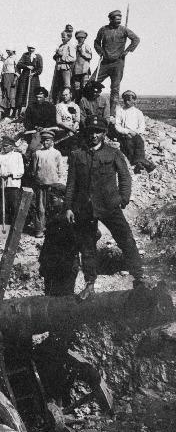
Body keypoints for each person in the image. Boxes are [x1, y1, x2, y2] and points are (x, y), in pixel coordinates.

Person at [64, 115, 146, 300]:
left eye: (98, 132)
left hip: (109, 205)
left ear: (104, 133)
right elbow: (71, 184)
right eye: (91, 132)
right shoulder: (77, 154)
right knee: (87, 246)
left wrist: (123, 198)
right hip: (84, 208)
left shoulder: (113, 153)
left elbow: (125, 177)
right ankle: (89, 284)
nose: (94, 135)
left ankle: (139, 277)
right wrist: (68, 207)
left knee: (126, 239)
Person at [94, 9, 141, 113]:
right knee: (92, 83)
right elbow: (96, 42)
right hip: (105, 63)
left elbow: (136, 39)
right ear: (110, 19)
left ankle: (112, 113)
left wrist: (127, 51)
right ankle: (93, 108)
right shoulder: (103, 30)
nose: (119, 20)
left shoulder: (124, 30)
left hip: (118, 63)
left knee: (115, 89)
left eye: (120, 18)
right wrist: (100, 51)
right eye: (116, 18)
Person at [39, 185, 79, 297]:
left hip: (66, 266)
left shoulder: (70, 217)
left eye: (54, 198)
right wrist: (42, 263)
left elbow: (95, 234)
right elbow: (47, 243)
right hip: (52, 265)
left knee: (64, 300)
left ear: (63, 199)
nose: (51, 202)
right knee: (50, 297)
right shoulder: (53, 215)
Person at [30, 131, 66, 238]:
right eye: (44, 140)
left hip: (53, 186)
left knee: (54, 207)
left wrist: (59, 182)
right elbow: (34, 169)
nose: (45, 142)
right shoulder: (37, 153)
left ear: (52, 141)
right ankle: (39, 230)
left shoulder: (56, 153)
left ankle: (53, 231)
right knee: (40, 208)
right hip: (40, 185)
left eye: (47, 140)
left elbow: (60, 170)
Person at [110, 90, 156, 173]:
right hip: (124, 135)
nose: (127, 102)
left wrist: (135, 133)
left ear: (134, 101)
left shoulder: (138, 113)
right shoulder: (120, 111)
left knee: (139, 143)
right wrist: (127, 132)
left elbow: (142, 127)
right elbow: (117, 126)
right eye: (125, 100)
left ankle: (138, 163)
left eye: (129, 100)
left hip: (135, 134)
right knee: (128, 145)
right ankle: (144, 163)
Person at [0, 138, 24, 228]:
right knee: (3, 206)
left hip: (13, 184)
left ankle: (14, 227)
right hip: (2, 185)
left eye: (6, 146)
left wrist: (10, 174)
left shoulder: (17, 156)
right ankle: (4, 226)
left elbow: (21, 172)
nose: (4, 148)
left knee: (14, 206)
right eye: (3, 146)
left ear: (12, 146)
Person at [23, 87, 59, 153]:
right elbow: (26, 121)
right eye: (37, 97)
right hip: (34, 131)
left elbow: (53, 121)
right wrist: (35, 127)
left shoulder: (51, 107)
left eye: (40, 97)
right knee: (34, 147)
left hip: (47, 130)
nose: (38, 99)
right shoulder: (31, 107)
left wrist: (45, 128)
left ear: (45, 97)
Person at [15, 45, 43, 116]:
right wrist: (27, 66)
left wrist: (34, 73)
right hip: (25, 77)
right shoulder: (25, 55)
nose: (31, 49)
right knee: (22, 93)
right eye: (29, 48)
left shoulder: (38, 56)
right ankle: (20, 113)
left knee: (33, 93)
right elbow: (19, 64)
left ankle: (32, 112)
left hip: (34, 78)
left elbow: (40, 69)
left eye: (32, 48)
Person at [51, 31, 77, 105]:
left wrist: (62, 55)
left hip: (65, 68)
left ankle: (68, 104)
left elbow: (73, 58)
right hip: (58, 68)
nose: (62, 38)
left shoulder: (70, 46)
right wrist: (56, 55)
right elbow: (56, 57)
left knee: (66, 86)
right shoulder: (61, 45)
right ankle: (58, 104)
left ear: (69, 38)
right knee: (58, 87)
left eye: (64, 37)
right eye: (61, 37)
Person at [72, 30, 93, 103]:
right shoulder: (75, 47)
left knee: (84, 87)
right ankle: (77, 103)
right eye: (79, 38)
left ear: (84, 38)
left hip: (84, 70)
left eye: (82, 38)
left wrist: (82, 52)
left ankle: (84, 103)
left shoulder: (86, 46)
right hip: (76, 70)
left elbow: (89, 56)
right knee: (76, 88)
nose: (80, 39)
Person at [1, 48, 18, 117]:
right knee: (6, 95)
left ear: (13, 50)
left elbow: (17, 70)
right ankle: (7, 113)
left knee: (12, 95)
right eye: (6, 50)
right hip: (6, 77)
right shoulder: (7, 58)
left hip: (12, 77)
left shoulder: (15, 58)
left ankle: (14, 113)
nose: (7, 52)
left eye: (9, 50)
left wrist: (15, 79)